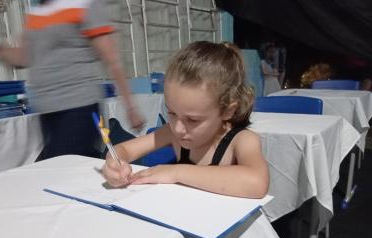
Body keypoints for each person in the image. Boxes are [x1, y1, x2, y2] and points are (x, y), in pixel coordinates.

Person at [0, 0, 144, 159]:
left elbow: (112, 58)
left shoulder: (83, 4)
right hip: (46, 111)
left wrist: (131, 107)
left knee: (63, 168)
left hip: (79, 106)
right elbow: (24, 58)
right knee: (70, 169)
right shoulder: (36, 14)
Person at [102, 41, 269, 199]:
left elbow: (257, 183)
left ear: (227, 111)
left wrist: (176, 172)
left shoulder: (242, 140)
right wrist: (115, 164)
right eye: (172, 113)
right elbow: (122, 149)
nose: (179, 128)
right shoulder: (173, 132)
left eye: (193, 120)